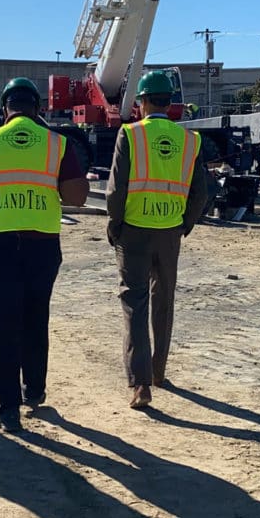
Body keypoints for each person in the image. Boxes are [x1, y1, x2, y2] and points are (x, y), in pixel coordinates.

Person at [0, 77, 88, 433]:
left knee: (3, 322)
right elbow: (77, 197)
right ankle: (35, 390)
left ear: (4, 109)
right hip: (41, 244)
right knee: (35, 316)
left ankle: (8, 407)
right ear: (38, 109)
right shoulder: (57, 145)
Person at [105, 70, 208, 410]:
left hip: (134, 230)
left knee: (134, 304)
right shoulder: (190, 140)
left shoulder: (130, 135)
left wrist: (114, 224)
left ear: (143, 102)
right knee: (164, 301)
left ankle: (140, 385)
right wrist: (184, 225)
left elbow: (116, 188)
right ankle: (159, 371)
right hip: (169, 232)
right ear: (171, 102)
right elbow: (201, 193)